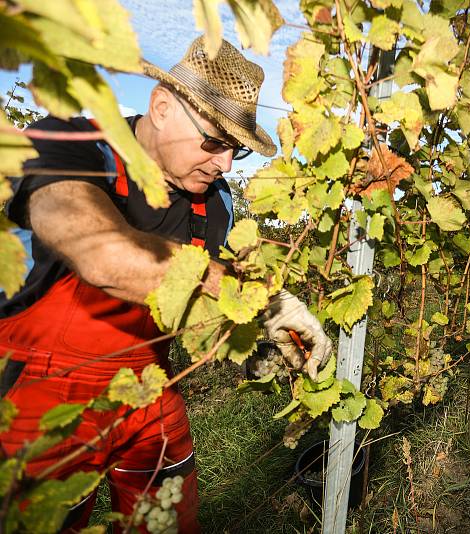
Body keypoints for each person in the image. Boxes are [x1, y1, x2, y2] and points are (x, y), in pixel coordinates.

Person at [0, 37, 332, 532]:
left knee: (171, 518)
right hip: (43, 389)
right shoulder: (69, 147)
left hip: (147, 383)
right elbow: (102, 256)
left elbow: (196, 304)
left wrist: (242, 337)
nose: (223, 165)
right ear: (161, 108)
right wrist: (253, 298)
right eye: (215, 142)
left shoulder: (215, 205)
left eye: (235, 151)